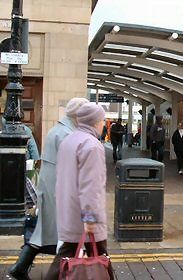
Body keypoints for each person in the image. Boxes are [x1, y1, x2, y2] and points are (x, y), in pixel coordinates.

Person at [9, 97, 88, 280]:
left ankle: (20, 269)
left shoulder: (59, 130)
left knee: (42, 232)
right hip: (58, 190)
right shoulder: (67, 134)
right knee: (64, 234)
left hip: (51, 188)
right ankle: (64, 271)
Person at [45, 102, 113, 280]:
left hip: (68, 211)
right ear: (94, 122)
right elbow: (91, 186)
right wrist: (90, 218)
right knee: (100, 259)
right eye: (101, 121)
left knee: (66, 256)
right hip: (85, 217)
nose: (102, 125)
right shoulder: (92, 145)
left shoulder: (70, 140)